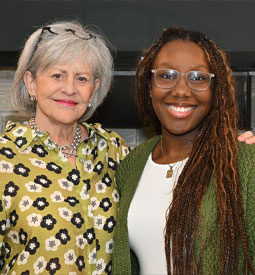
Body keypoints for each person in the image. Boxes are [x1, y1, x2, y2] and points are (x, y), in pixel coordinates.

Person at [112, 27, 255, 275]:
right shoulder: (133, 163)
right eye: (166, 75)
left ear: (215, 90)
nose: (181, 90)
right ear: (149, 85)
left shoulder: (243, 163)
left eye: (198, 78)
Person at [0, 21, 129, 274]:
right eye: (57, 75)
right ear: (31, 82)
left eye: (81, 78)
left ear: (94, 89)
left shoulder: (113, 149)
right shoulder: (5, 158)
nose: (70, 89)